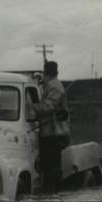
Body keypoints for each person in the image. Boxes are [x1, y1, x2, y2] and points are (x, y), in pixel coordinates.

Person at [33, 60, 71, 193]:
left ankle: (52, 195)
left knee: (51, 169)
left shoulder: (54, 86)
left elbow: (48, 107)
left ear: (45, 72)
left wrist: (30, 107)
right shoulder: (53, 84)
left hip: (54, 134)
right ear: (57, 72)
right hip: (53, 133)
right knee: (51, 167)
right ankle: (52, 196)